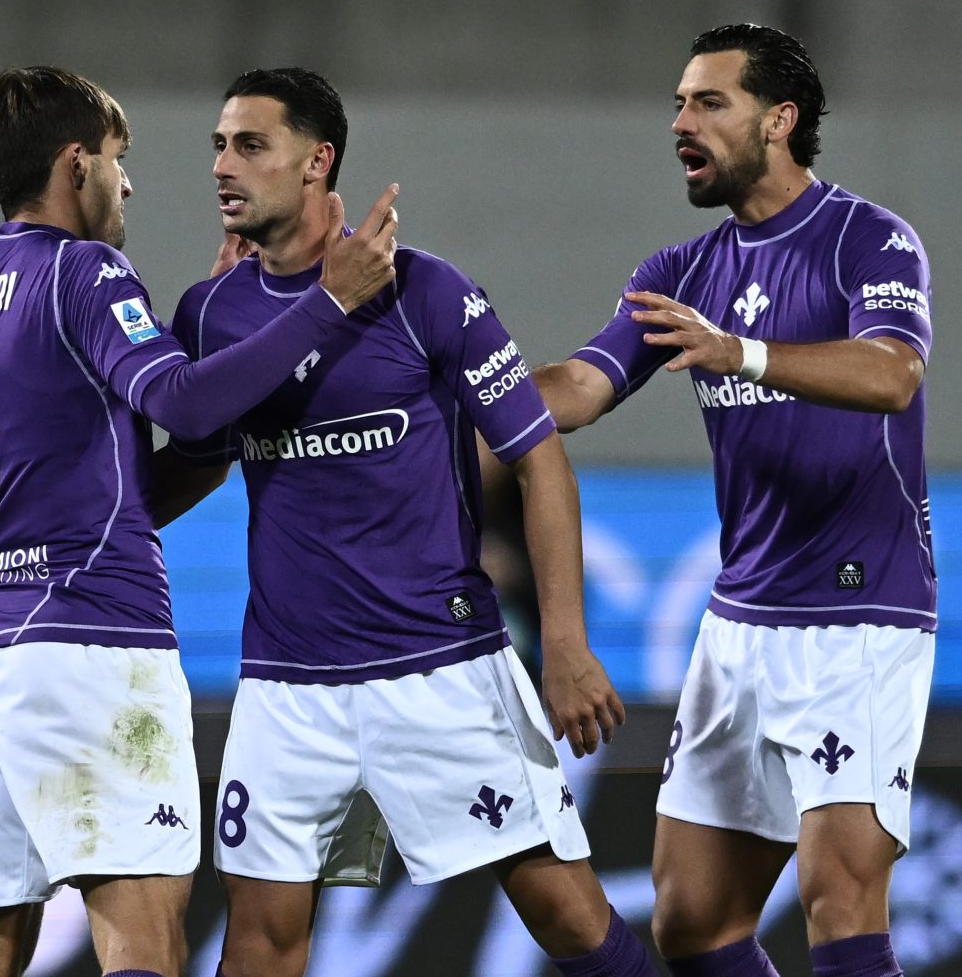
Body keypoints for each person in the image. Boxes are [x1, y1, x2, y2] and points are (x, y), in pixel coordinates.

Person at [165, 67, 656, 977]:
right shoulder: (211, 312)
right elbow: (193, 463)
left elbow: (540, 459)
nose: (224, 166)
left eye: (251, 145)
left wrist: (565, 643)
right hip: (287, 681)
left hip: (439, 664)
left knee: (569, 918)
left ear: (317, 161)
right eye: (220, 146)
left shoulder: (425, 291)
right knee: (260, 944)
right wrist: (61, 543)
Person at [0, 66, 398, 977]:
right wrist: (327, 302)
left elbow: (76, 440)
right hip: (90, 645)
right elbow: (183, 405)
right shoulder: (86, 268)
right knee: (143, 936)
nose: (128, 183)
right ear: (77, 164)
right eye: (117, 159)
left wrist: (211, 345)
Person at [534, 24, 931, 977]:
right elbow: (579, 390)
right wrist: (461, 385)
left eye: (709, 102)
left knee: (840, 899)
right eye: (679, 103)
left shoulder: (868, 239)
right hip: (739, 622)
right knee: (692, 922)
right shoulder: (679, 272)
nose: (682, 121)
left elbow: (892, 375)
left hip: (858, 614)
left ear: (779, 120)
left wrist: (739, 353)